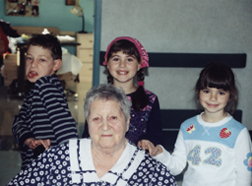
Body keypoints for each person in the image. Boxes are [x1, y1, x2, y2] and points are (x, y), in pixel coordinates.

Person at [7, 84, 177, 186]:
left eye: (113, 118)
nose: (105, 126)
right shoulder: (59, 156)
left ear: (127, 123)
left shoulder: (151, 172)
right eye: (96, 118)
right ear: (88, 122)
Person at [154, 62, 252, 186]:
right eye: (207, 91)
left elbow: (244, 177)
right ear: (198, 92)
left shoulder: (238, 132)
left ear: (231, 95)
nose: (213, 98)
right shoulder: (187, 127)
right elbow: (177, 167)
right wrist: (161, 155)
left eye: (221, 93)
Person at [82, 36, 163, 155]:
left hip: (137, 165)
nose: (122, 65)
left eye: (129, 59)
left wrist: (148, 139)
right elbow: (87, 136)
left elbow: (157, 137)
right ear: (107, 64)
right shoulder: (96, 99)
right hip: (102, 160)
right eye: (116, 59)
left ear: (140, 64)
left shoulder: (150, 100)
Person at [12, 34, 78, 170]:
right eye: (29, 58)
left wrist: (71, 161)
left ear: (55, 65)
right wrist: (29, 139)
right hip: (38, 165)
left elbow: (64, 124)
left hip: (48, 168)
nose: (33, 64)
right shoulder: (36, 89)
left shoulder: (46, 86)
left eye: (41, 60)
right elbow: (19, 122)